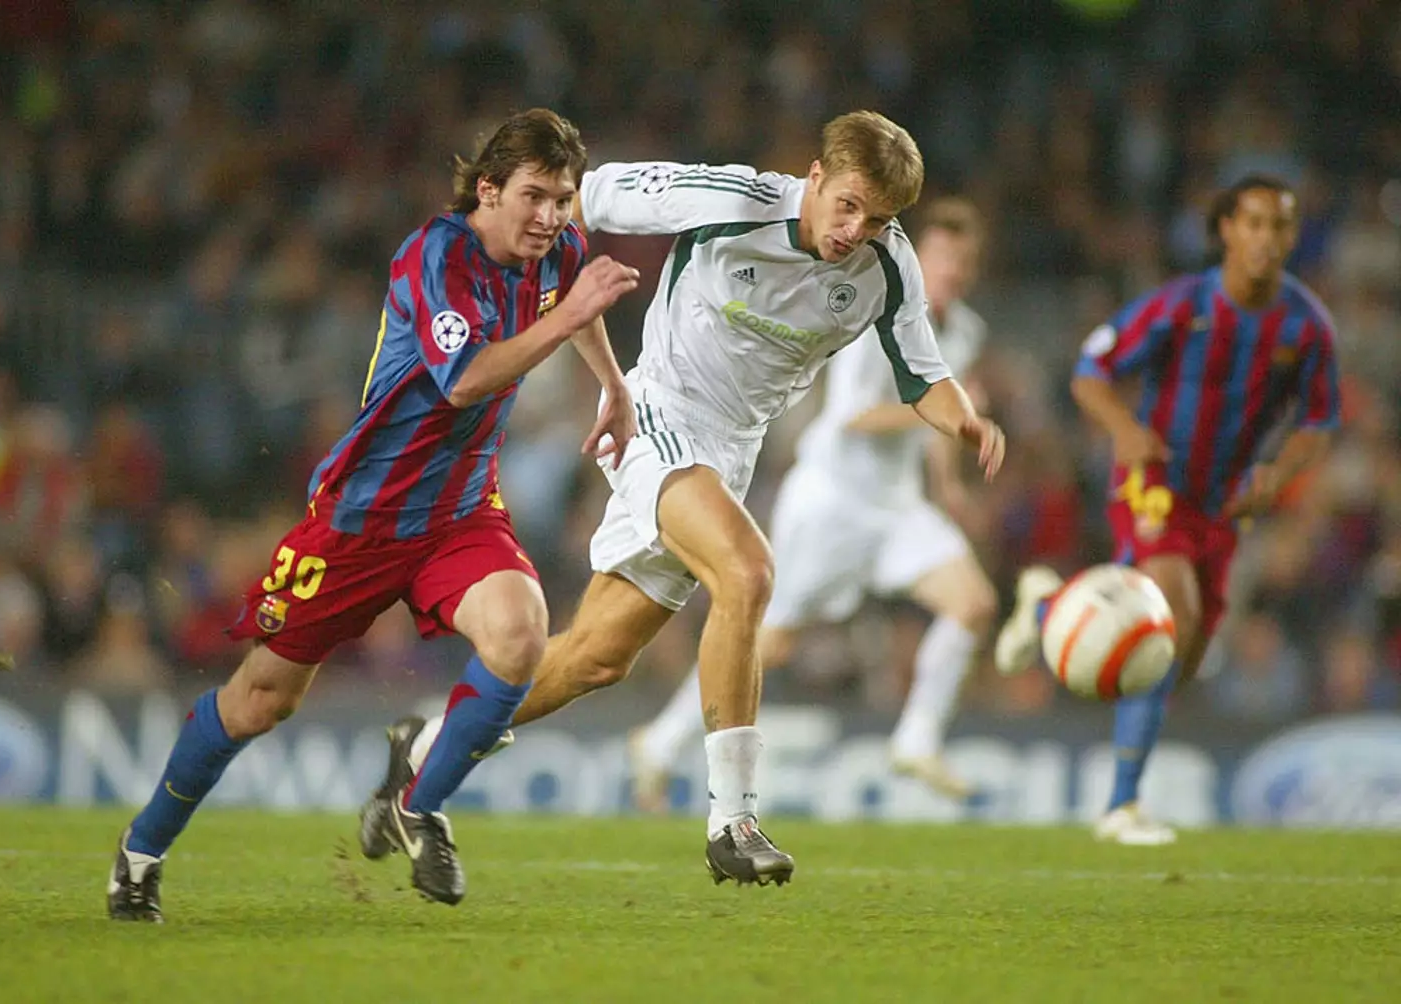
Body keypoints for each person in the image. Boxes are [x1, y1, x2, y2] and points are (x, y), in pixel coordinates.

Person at [362, 111, 1006, 887]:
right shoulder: (728, 200)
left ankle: (424, 747)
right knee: (748, 572)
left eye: (876, 218)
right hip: (659, 415)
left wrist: (963, 418)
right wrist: (505, 277)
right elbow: (579, 200)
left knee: (595, 658)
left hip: (730, 454)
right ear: (814, 175)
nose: (855, 229)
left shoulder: (888, 265)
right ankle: (733, 820)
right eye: (847, 204)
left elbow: (921, 377)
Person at [107, 108, 641, 921]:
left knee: (522, 631)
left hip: (460, 509)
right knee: (261, 700)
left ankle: (416, 804)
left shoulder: (554, 247)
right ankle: (141, 851)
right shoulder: (436, 257)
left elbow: (575, 290)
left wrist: (612, 381)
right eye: (534, 196)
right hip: (363, 517)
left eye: (565, 198)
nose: (552, 216)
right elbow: (466, 381)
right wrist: (568, 320)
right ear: (488, 189)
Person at [993, 174, 1340, 845]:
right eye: (1255, 223)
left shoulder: (1306, 326)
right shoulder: (1181, 306)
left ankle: (1046, 608)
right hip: (1152, 481)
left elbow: (1318, 421)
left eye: (1281, 225)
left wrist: (1279, 472)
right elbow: (1091, 372)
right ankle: (1121, 807)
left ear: (1293, 236)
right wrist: (1123, 429)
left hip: (1223, 506)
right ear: (1226, 231)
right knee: (1168, 616)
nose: (1267, 238)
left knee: (1182, 659)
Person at [627, 197, 998, 808]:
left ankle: (917, 740)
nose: (952, 270)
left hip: (898, 507)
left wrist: (952, 486)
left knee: (974, 604)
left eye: (964, 261)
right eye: (942, 256)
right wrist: (949, 415)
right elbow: (853, 418)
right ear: (921, 258)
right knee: (769, 639)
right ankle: (662, 742)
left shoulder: (966, 332)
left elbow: (937, 421)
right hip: (832, 502)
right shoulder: (880, 310)